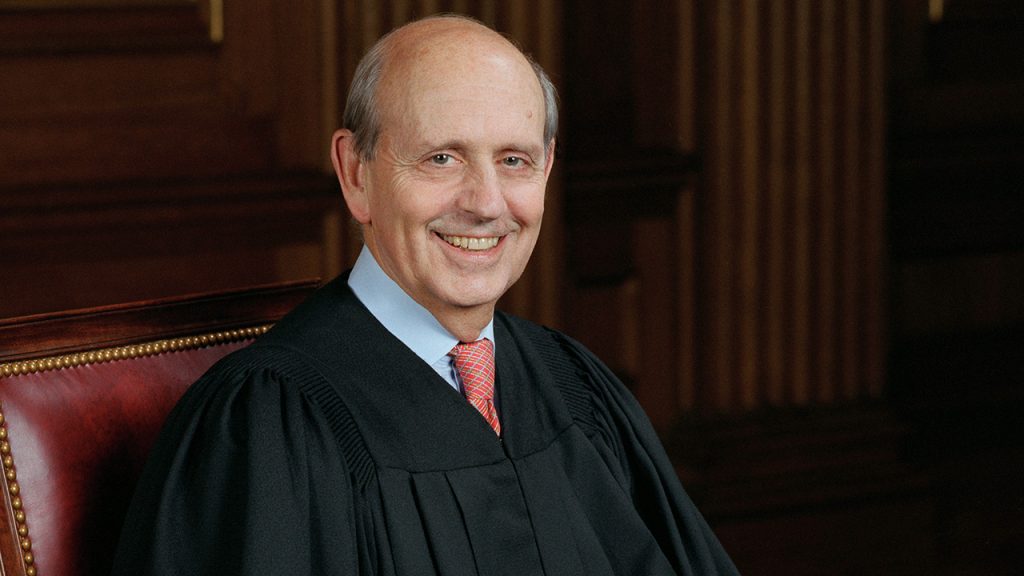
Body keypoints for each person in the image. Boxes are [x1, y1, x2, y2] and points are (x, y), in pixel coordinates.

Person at [111, 14, 739, 576]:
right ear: (356, 173)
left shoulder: (576, 387)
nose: (486, 203)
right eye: (442, 158)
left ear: (547, 169)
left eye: (514, 161)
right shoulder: (269, 427)